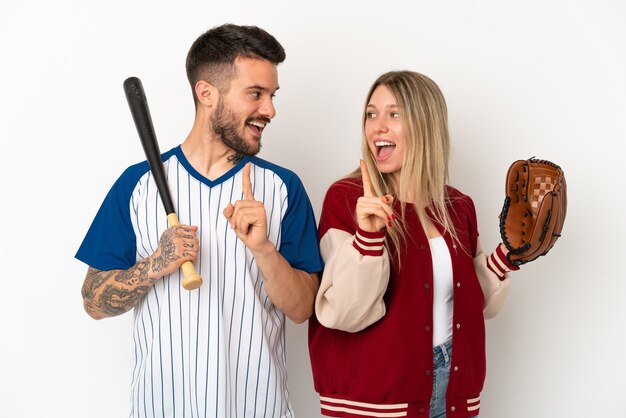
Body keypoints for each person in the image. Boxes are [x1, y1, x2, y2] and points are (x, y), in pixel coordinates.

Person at [76, 24, 322, 417]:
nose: (270, 110)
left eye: (272, 96)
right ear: (207, 93)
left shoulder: (282, 188)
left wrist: (263, 250)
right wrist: (155, 265)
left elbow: (302, 308)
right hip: (161, 407)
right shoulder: (137, 185)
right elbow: (93, 302)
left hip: (258, 408)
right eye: (255, 94)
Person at [308, 71, 521, 418]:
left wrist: (509, 256)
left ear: (425, 124)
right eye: (371, 113)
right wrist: (369, 237)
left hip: (452, 389)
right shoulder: (347, 199)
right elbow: (344, 312)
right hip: (375, 399)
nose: (378, 126)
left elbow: (469, 301)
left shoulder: (457, 206)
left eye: (394, 114)